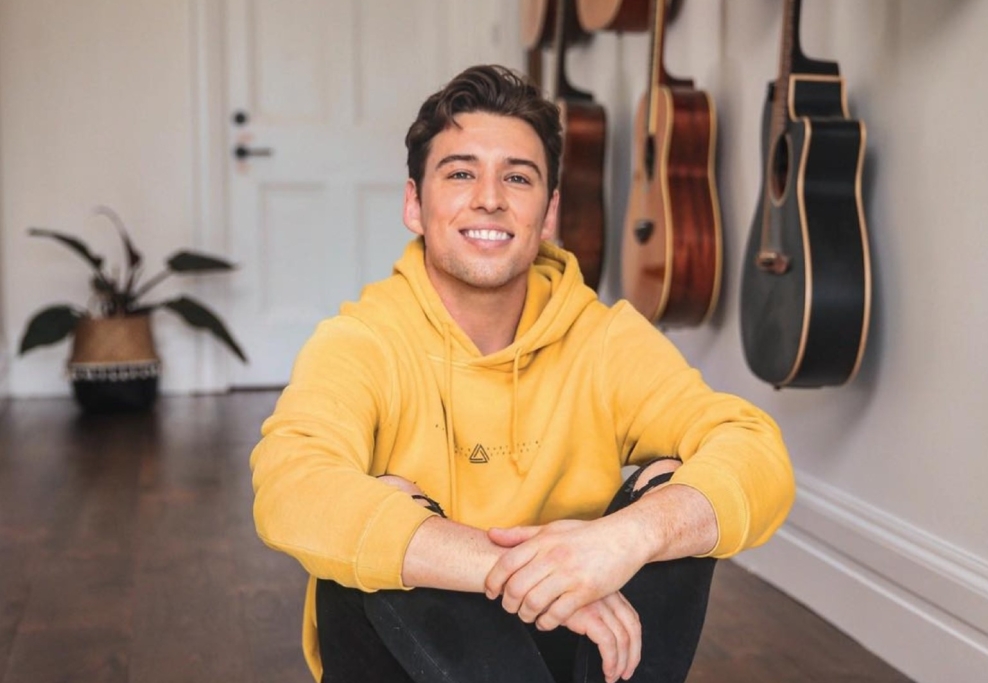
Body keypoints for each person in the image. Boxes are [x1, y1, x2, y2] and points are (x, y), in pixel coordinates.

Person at [250, 64, 794, 683]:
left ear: (550, 211)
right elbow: (290, 486)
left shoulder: (603, 339)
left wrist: (625, 539)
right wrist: (500, 566)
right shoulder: (363, 341)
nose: (490, 197)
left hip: (570, 649)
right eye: (460, 173)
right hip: (410, 660)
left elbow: (754, 449)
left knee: (673, 487)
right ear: (414, 204)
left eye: (517, 176)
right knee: (383, 515)